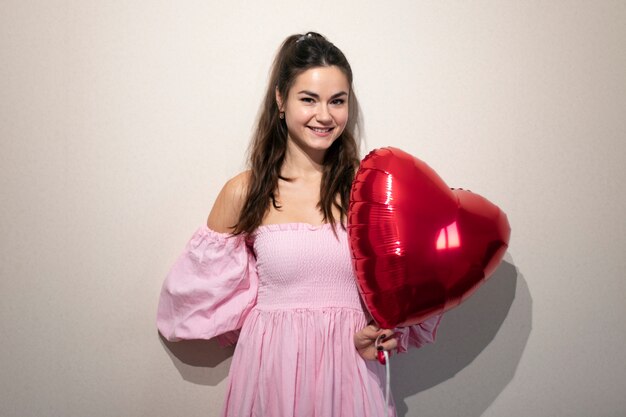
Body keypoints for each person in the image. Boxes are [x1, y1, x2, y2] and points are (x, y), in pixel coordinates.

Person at [157, 32, 441, 417]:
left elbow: (405, 288)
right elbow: (190, 303)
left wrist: (383, 331)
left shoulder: (369, 192)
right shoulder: (245, 192)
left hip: (351, 373)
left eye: (337, 101)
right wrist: (271, 326)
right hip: (271, 375)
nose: (324, 115)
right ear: (280, 100)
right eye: (308, 99)